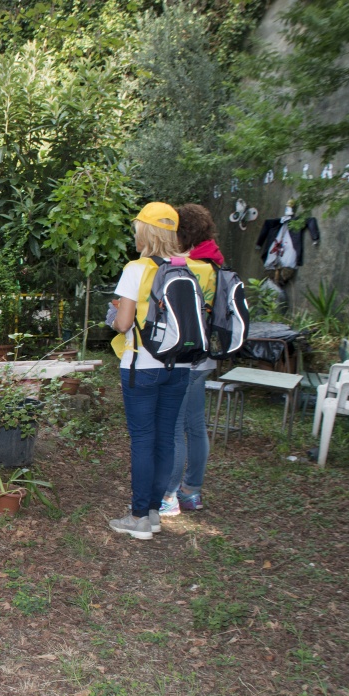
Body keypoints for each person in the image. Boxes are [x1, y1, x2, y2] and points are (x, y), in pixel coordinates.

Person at [107, 202, 203, 540]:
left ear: (145, 231)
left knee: (143, 440)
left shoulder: (137, 268)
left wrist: (115, 315)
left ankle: (138, 519)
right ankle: (153, 514)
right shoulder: (188, 269)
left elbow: (122, 324)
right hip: (180, 365)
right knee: (164, 438)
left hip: (142, 366)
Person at [160, 204, 224, 516]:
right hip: (204, 356)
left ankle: (168, 496)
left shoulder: (188, 266)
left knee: (173, 427)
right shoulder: (215, 263)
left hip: (183, 358)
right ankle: (192, 491)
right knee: (196, 425)